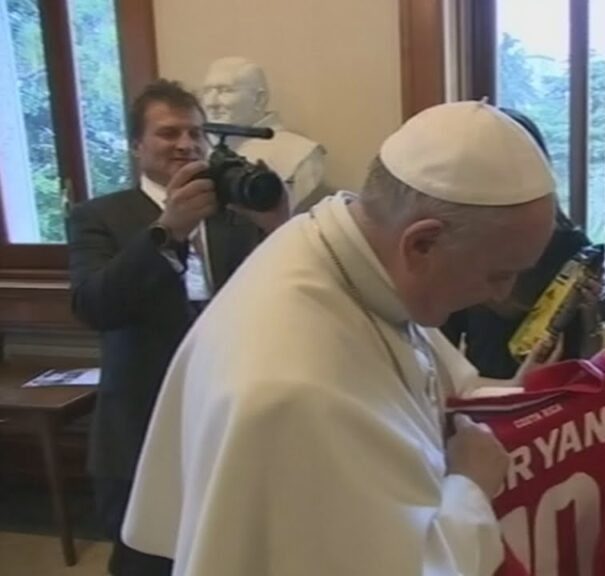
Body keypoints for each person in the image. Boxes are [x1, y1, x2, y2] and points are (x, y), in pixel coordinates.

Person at [121, 101, 560, 575]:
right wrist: (471, 487)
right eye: (499, 274)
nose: (503, 295)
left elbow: (428, 378)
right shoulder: (294, 389)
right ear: (422, 243)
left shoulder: (341, 250)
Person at [66, 79, 289, 576]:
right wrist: (168, 231)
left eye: (195, 133)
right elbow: (94, 307)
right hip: (138, 427)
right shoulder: (98, 216)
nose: (186, 144)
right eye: (168, 133)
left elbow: (289, 293)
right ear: (137, 144)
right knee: (145, 559)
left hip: (232, 419)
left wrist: (279, 222)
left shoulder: (238, 213)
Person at [441, 108, 599, 378]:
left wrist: (591, 312)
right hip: (488, 398)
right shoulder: (461, 245)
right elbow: (443, 354)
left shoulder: (571, 246)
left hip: (560, 396)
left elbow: (585, 353)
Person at [201, 56, 327, 212]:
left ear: (259, 99)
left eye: (226, 91)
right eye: (207, 91)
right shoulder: (195, 148)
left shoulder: (300, 154)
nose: (211, 103)